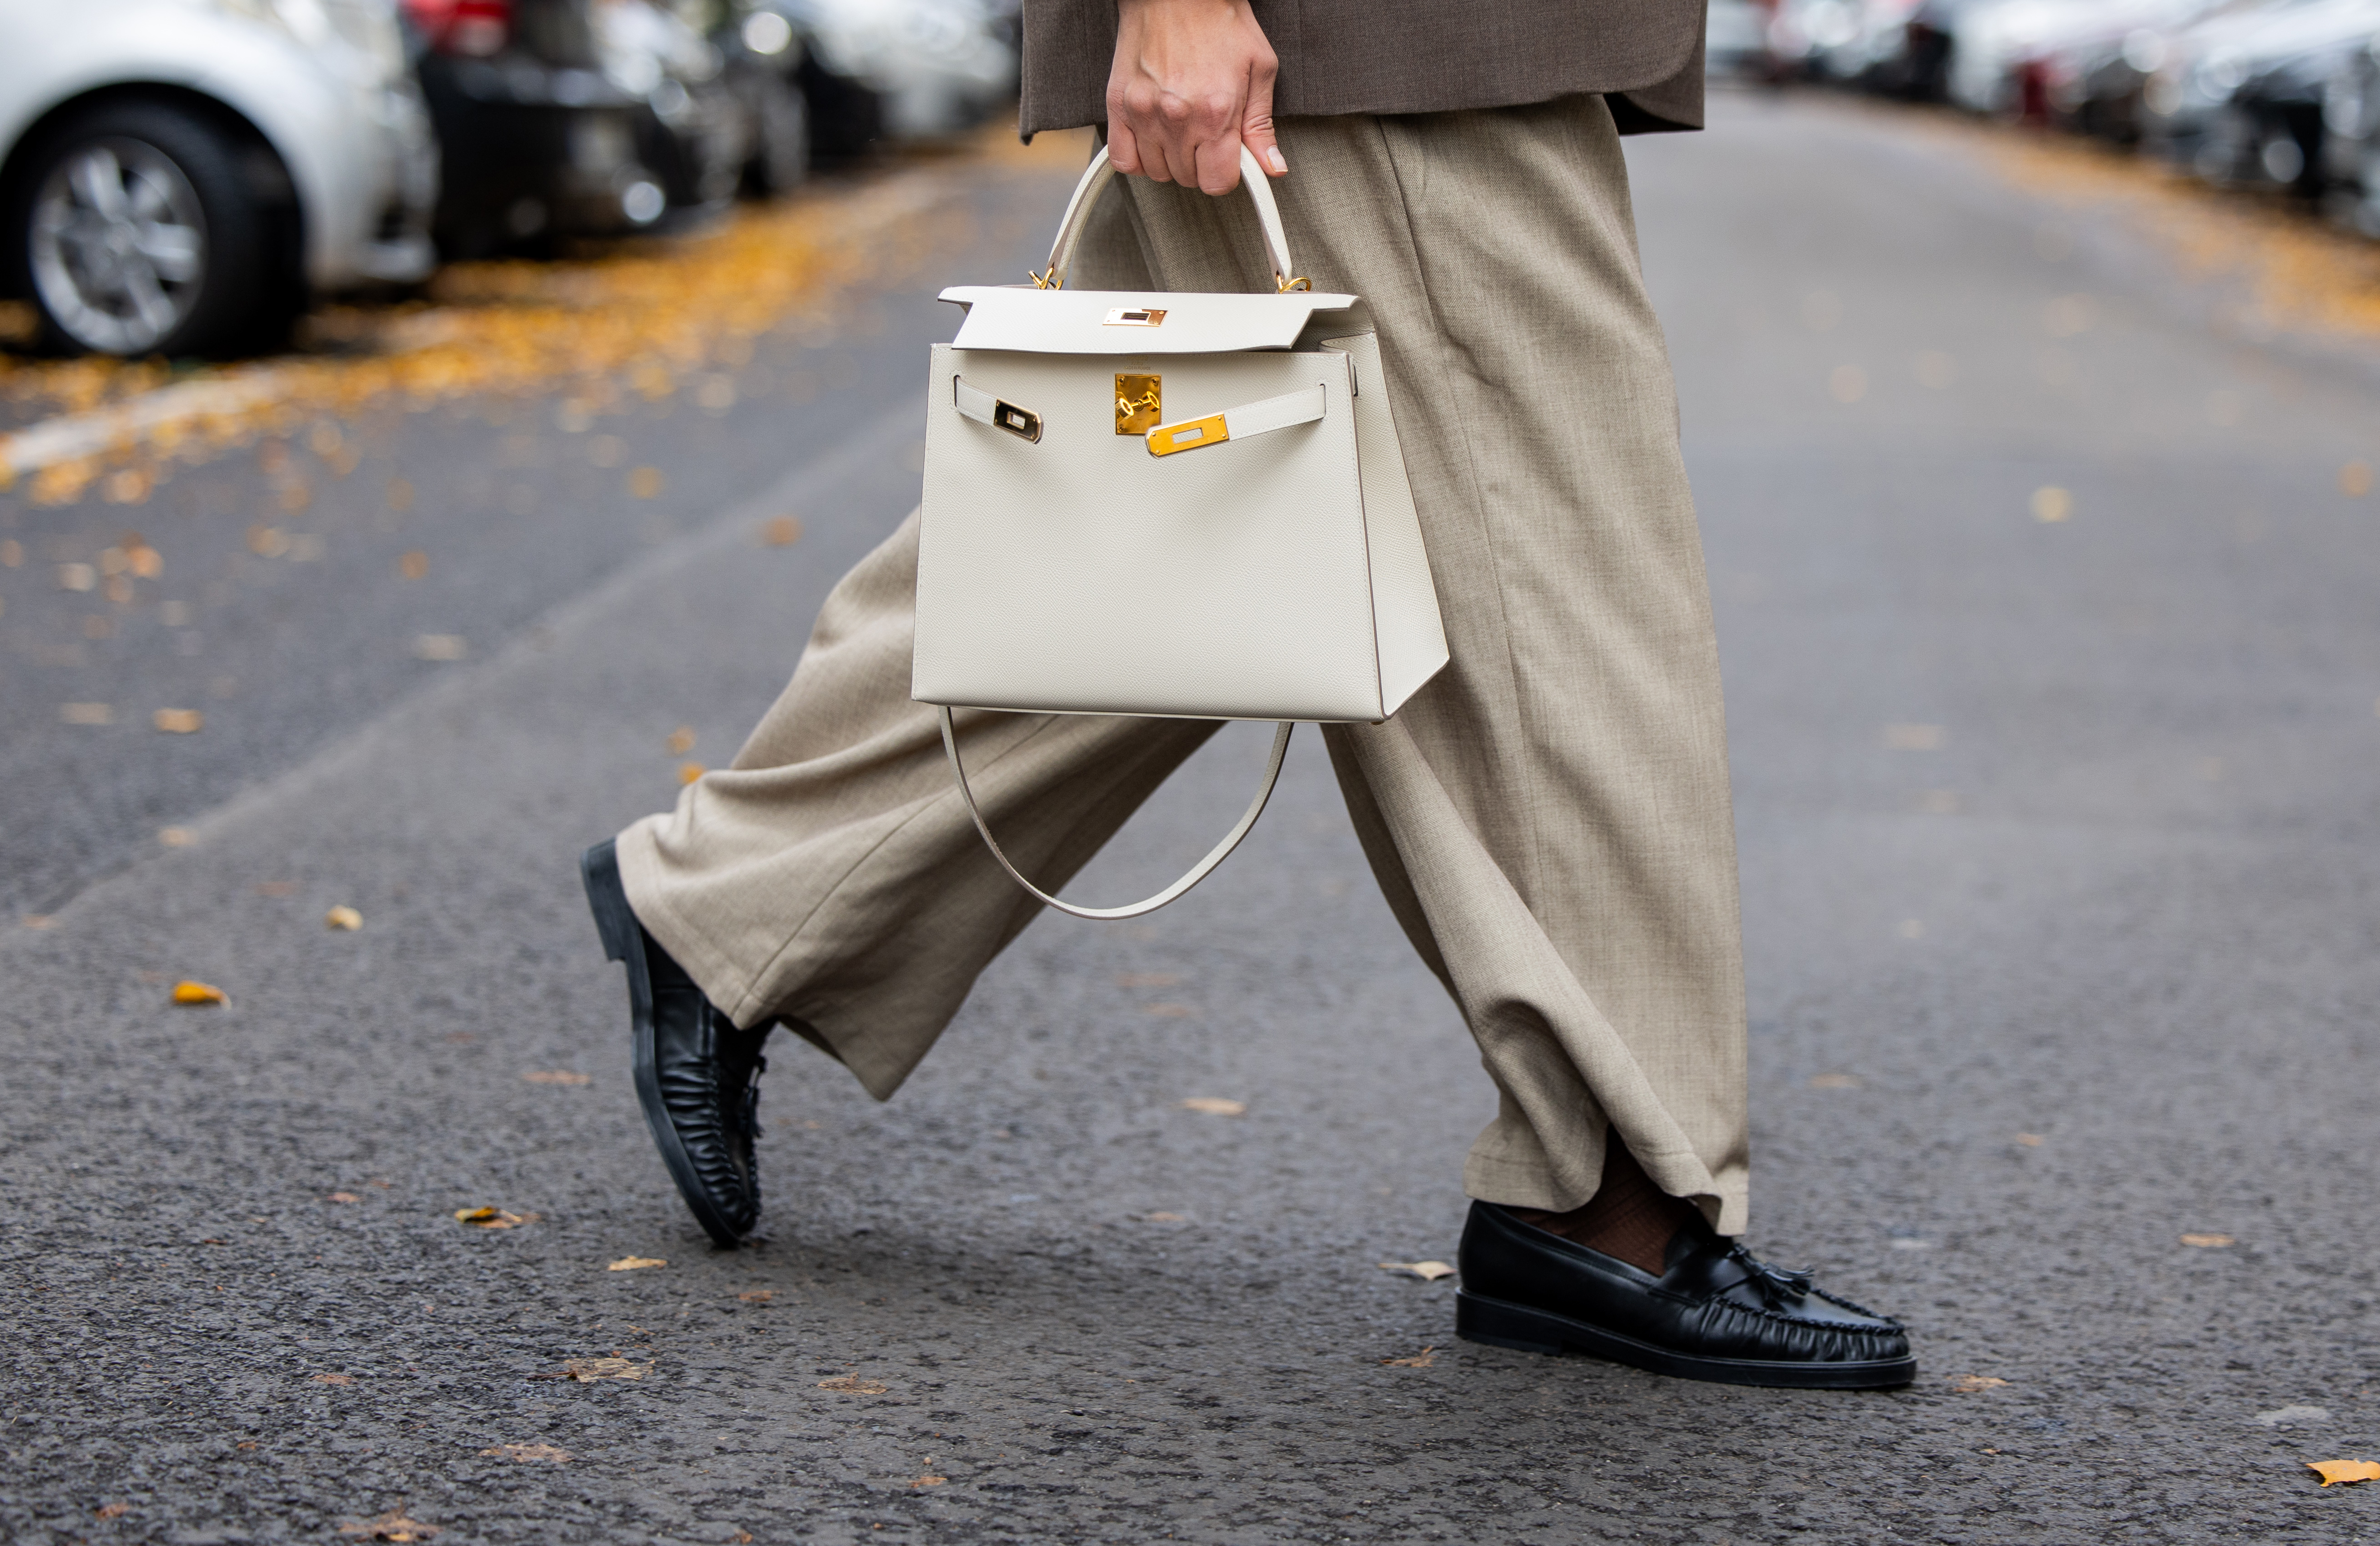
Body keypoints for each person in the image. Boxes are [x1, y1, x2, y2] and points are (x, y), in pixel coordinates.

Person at [581, 0, 1913, 1389]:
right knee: (1555, 585)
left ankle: (731, 905)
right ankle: (1611, 1200)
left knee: (1157, 524)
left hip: (1346, 52)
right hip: (1371, 48)